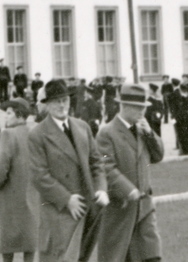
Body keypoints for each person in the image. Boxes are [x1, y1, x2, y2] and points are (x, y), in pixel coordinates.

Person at [28, 79, 109, 262]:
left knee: (82, 256)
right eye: (56, 101)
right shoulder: (37, 135)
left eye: (65, 99)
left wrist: (101, 188)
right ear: (47, 105)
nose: (62, 104)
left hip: (88, 207)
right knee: (60, 257)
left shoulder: (82, 127)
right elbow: (39, 176)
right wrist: (66, 199)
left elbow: (96, 162)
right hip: (60, 211)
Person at [95, 83, 164, 262]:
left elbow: (158, 156)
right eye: (138, 108)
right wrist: (128, 190)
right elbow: (106, 167)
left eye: (144, 108)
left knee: (152, 256)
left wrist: (150, 133)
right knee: (122, 257)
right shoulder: (107, 133)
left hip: (145, 208)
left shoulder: (142, 130)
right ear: (124, 106)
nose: (142, 112)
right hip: (121, 210)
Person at [0, 98, 38, 262]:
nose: (6, 117)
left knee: (8, 243)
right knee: (29, 241)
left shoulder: (7, 134)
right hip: (30, 194)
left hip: (9, 195)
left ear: (19, 115)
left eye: (9, 113)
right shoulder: (33, 132)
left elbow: (1, 166)